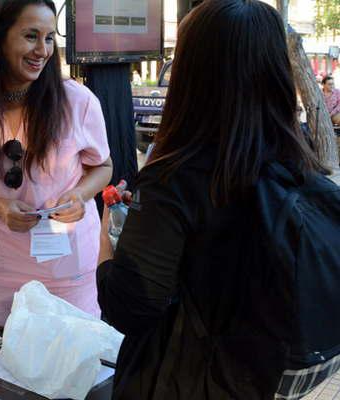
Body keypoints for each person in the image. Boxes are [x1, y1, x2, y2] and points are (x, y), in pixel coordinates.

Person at [97, 1, 330, 399]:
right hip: (254, 380)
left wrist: (108, 226)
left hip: (178, 381)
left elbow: (128, 307)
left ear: (191, 74)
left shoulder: (175, 179)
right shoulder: (299, 167)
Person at [0, 0, 112, 326]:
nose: (42, 50)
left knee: (72, 369)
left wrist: (80, 196)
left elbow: (103, 166)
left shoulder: (78, 101)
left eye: (48, 38)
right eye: (31, 36)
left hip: (68, 271)